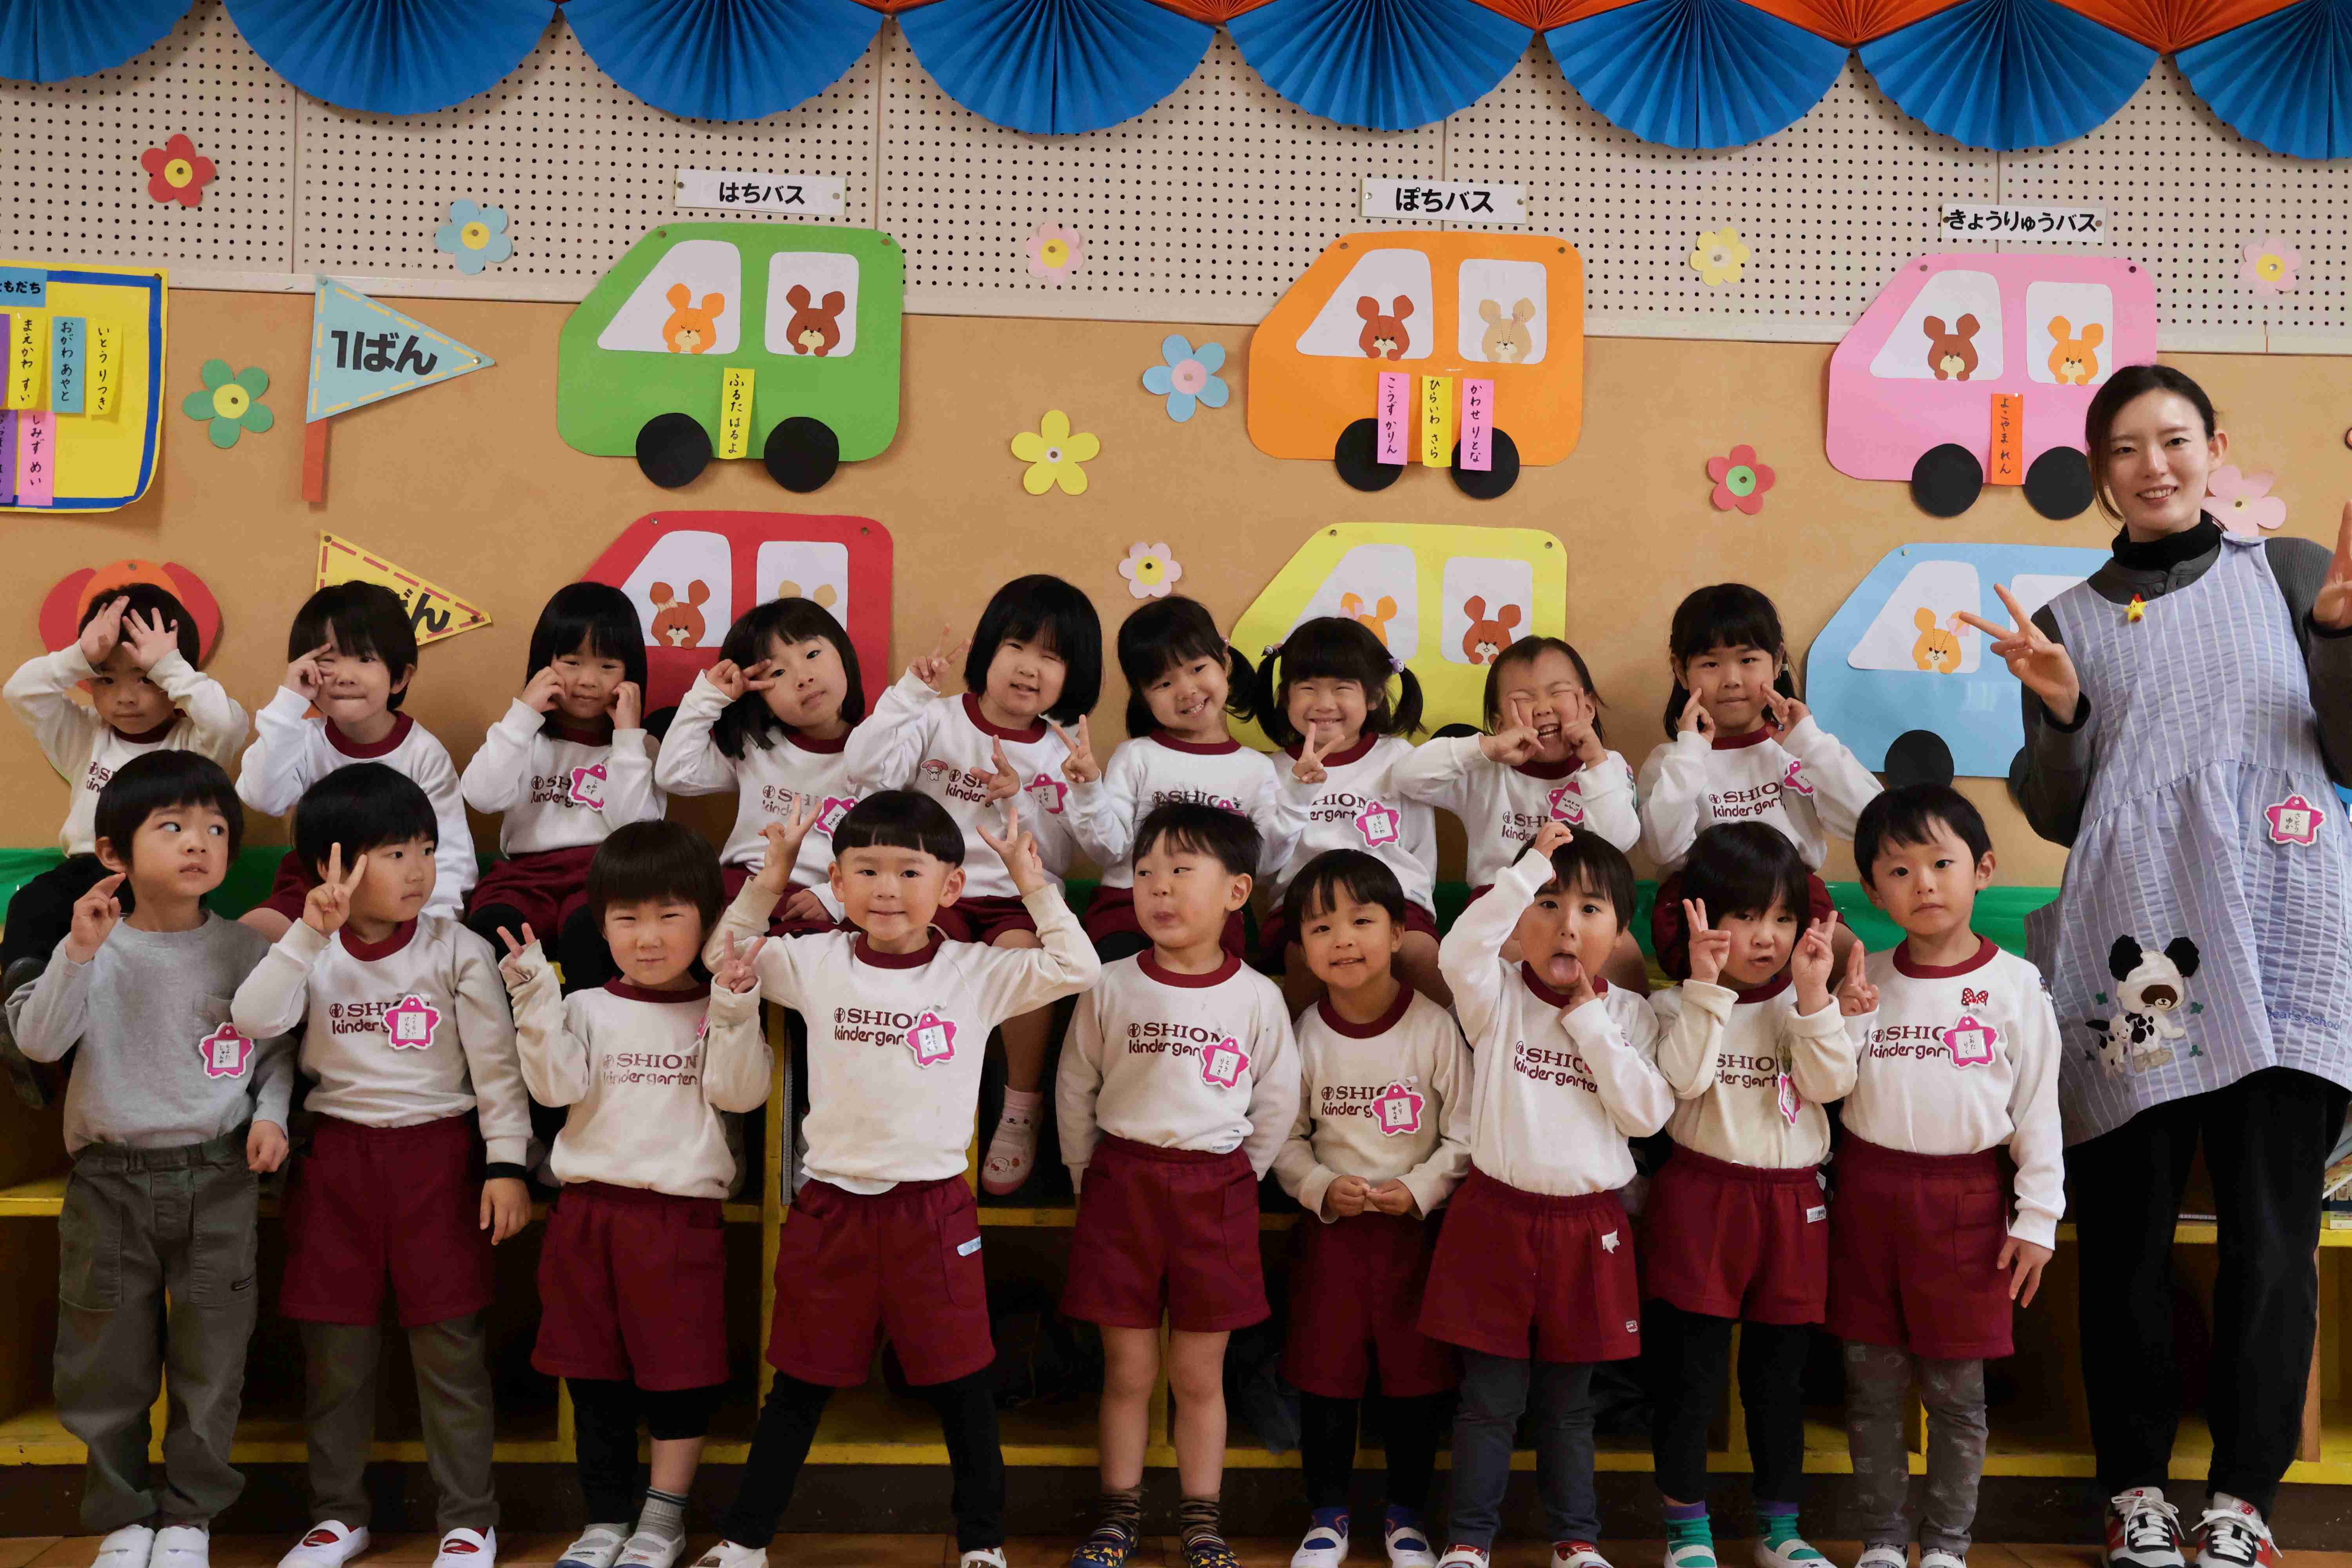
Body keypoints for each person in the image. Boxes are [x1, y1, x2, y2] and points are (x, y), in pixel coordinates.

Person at [1967, 363, 2352, 1568]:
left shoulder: (2290, 572)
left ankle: (2243, 1501)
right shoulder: (2066, 618)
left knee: (2270, 1239)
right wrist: (2060, 710)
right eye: (2125, 447)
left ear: (2212, 447)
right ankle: (2133, 1490)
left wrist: (2343, 636)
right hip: (2135, 952)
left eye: (2174, 439)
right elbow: (2058, 812)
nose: (2153, 464)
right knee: (2125, 1239)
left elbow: (2345, 750)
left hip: (2283, 937)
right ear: (2099, 473)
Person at [692, 791, 1101, 1568]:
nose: (886, 888)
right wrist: (771, 878)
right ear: (837, 884)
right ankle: (745, 1541)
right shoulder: (813, 961)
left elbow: (1076, 965)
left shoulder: (974, 972)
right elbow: (724, 956)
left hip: (933, 1213)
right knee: (798, 1387)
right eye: (867, 870)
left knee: (964, 1388)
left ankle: (982, 1546)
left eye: (910, 871)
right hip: (831, 1210)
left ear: (951, 886)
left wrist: (1031, 882)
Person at [230, 765, 531, 1568]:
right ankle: (337, 1515)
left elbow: (497, 1070)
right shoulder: (310, 950)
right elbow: (253, 1020)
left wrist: (507, 1164)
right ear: (332, 864)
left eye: (426, 848)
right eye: (396, 853)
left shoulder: (456, 948)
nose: (420, 869)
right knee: (336, 1355)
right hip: (337, 1164)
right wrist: (306, 934)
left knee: (451, 1350)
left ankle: (469, 1518)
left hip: (439, 1160)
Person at [6, 753, 292, 1568]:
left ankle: (192, 1518)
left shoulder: (245, 949)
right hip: (110, 1182)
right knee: (104, 1362)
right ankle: (124, 1516)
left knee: (212, 1361)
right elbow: (39, 1041)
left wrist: (272, 1117)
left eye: (215, 829)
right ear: (113, 853)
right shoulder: (89, 946)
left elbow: (274, 1055)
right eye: (172, 826)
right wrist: (77, 953)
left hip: (218, 1176)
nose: (198, 843)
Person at [498, 821, 770, 1568]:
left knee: (678, 1377)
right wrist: (534, 997)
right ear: (601, 924)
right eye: (627, 918)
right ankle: (605, 1520)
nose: (648, 938)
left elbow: (741, 1094)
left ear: (707, 921)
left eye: (669, 916)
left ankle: (663, 1520)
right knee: (592, 1378)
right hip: (587, 1215)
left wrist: (736, 1009)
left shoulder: (721, 1005)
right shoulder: (586, 1005)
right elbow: (554, 1088)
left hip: (679, 1220)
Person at [1423, 822, 1673, 1568]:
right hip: (1495, 1219)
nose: (1567, 925)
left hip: (1587, 1229)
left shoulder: (1631, 1016)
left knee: (1569, 1406)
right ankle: (1469, 1541)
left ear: (1620, 932)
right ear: (1519, 920)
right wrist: (1527, 867)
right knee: (1488, 1402)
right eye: (1549, 903)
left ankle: (1576, 1540)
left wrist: (1589, 1022)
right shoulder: (1494, 996)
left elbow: (1646, 1115)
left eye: (1591, 909)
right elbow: (1458, 951)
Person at [1056, 802, 1299, 1568]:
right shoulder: (1109, 984)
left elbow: (1277, 1102)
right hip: (1120, 1186)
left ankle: (1202, 1522)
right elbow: (1076, 1086)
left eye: (1181, 870)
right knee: (1128, 1371)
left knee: (1199, 1375)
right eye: (1146, 872)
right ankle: (1117, 1517)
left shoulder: (1256, 996)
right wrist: (1086, 1176)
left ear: (1236, 891)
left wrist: (1236, 1178)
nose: (1159, 887)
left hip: (1215, 1191)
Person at [1835, 785, 2063, 1568]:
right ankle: (1881, 1541)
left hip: (1967, 1205)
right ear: (1874, 891)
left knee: (1956, 1394)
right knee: (1870, 1388)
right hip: (1867, 1200)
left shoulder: (2016, 984)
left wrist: (2038, 1218)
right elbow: (1829, 1085)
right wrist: (1841, 1013)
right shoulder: (1864, 978)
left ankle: (1947, 1546)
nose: (1924, 884)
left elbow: (2038, 1108)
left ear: (1983, 870)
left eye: (1941, 863)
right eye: (1899, 870)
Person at [1643, 823, 1858, 1568]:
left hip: (1794, 1205)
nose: (1766, 937)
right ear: (1700, 917)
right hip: (1701, 1199)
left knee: (1779, 1380)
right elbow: (1683, 1082)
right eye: (1744, 916)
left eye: (1783, 917)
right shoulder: (1674, 1005)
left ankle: (1780, 1530)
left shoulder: (1810, 1002)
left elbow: (1831, 1086)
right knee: (1690, 1378)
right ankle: (1686, 1530)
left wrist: (1814, 998)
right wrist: (1706, 990)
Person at [846, 576, 1102, 1196]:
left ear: (1073, 676)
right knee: (912, 953)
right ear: (987, 649)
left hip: (1019, 901)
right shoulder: (935, 718)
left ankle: (1020, 1107)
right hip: (935, 896)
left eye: (1051, 657)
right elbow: (863, 772)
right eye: (1017, 646)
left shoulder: (1065, 752)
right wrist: (909, 695)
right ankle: (893, 1103)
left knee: (1024, 958)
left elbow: (1091, 851)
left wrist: (1042, 796)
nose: (1029, 668)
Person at [1271, 849, 1470, 1568]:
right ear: (1303, 948)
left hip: (1418, 1239)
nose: (1344, 940)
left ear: (1397, 934)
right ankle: (1326, 1519)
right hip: (1332, 1238)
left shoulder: (1435, 1028)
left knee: (1417, 1384)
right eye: (1322, 927)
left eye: (1361, 921)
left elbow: (1466, 1135)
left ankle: (1406, 1519)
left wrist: (1419, 1189)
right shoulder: (1304, 1034)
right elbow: (1282, 1138)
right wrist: (1321, 1185)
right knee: (1324, 1380)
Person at [0, 587, 247, 1096]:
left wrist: (170, 666)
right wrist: (78, 656)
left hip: (160, 883)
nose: (126, 697)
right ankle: (24, 1028)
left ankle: (57, 1049)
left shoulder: (193, 743)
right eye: (106, 679)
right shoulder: (85, 735)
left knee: (119, 969)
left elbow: (228, 721)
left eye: (145, 678)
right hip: (87, 871)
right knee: (30, 906)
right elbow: (19, 692)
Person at [1637, 584, 1878, 978]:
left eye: (1748, 660)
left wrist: (1811, 745)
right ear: (1681, 671)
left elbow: (1873, 823)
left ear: (1778, 660)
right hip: (1703, 910)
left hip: (1793, 902)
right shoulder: (1673, 761)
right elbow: (1662, 849)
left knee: (1852, 965)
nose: (1731, 679)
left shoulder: (1802, 749)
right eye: (1711, 664)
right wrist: (1691, 752)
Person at [236, 582, 474, 938]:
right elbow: (261, 797)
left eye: (365, 659)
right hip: (315, 887)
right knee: (250, 938)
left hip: (395, 893)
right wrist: (289, 704)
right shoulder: (300, 736)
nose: (345, 677)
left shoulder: (423, 752)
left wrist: (435, 928)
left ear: (399, 677)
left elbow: (450, 855)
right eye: (328, 661)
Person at [1070, 595, 1296, 961]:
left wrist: (1299, 798)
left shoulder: (1256, 769)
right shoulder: (1137, 756)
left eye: (1197, 668)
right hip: (1129, 909)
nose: (1186, 690)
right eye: (1163, 684)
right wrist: (1087, 791)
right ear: (1143, 697)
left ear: (1224, 661)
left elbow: (1266, 864)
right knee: (1116, 977)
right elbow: (1108, 852)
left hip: (1217, 916)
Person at [461, 583, 663, 991]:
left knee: (596, 935)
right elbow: (480, 795)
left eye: (608, 666)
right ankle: (510, 1034)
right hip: (524, 879)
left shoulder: (638, 748)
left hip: (604, 878)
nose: (588, 680)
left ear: (630, 674)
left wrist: (627, 738)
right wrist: (522, 715)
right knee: (491, 931)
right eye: (572, 662)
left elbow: (637, 834)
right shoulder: (523, 737)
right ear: (545, 664)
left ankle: (586, 1030)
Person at [1257, 617, 1443, 1011]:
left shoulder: (1398, 759)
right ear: (1286, 697)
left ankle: (1457, 1039)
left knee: (1419, 954)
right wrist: (1297, 794)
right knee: (1306, 961)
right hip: (1304, 910)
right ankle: (1294, 1045)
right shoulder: (1269, 770)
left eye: (1342, 688)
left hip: (1391, 902)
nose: (1324, 704)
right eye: (1308, 688)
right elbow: (1264, 864)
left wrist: (1409, 903)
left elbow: (1417, 851)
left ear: (1373, 697)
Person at [654, 595, 866, 938]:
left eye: (812, 654)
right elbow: (675, 774)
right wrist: (709, 697)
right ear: (762, 700)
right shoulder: (757, 748)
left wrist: (833, 897)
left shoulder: (883, 755)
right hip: (741, 889)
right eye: (778, 673)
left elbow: (890, 853)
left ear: (843, 654)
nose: (803, 678)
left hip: (820, 904)